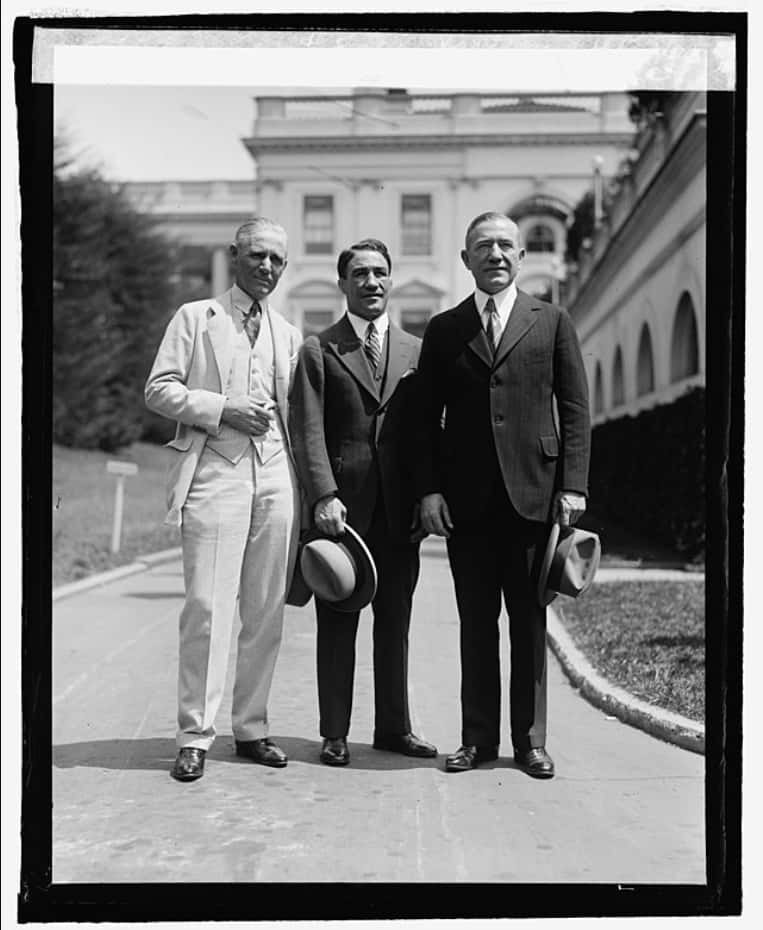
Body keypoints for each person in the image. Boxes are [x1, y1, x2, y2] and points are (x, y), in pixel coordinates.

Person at [415, 212, 591, 779]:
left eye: (505, 246)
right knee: (476, 624)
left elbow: (576, 410)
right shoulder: (444, 329)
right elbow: (424, 420)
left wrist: (574, 486)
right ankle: (477, 739)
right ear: (466, 260)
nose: (495, 254)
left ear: (520, 258)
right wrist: (430, 491)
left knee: (528, 622)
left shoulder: (552, 320)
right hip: (466, 503)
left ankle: (531, 740)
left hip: (535, 499)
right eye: (483, 246)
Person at [145, 217, 302, 782]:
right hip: (216, 469)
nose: (266, 267)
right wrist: (220, 409)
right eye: (257, 256)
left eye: (277, 261)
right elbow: (159, 388)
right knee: (208, 607)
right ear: (235, 255)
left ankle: (252, 726)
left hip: (276, 476)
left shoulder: (288, 332)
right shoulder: (196, 317)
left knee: (264, 610)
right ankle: (194, 734)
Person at [289, 238, 437, 767]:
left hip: (400, 514)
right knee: (337, 620)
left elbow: (425, 436)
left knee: (395, 621)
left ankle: (395, 728)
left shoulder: (417, 352)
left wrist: (426, 496)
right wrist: (323, 496)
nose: (371, 282)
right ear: (343, 285)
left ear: (391, 281)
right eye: (360, 274)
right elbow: (306, 431)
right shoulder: (319, 349)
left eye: (379, 273)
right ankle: (335, 733)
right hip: (342, 516)